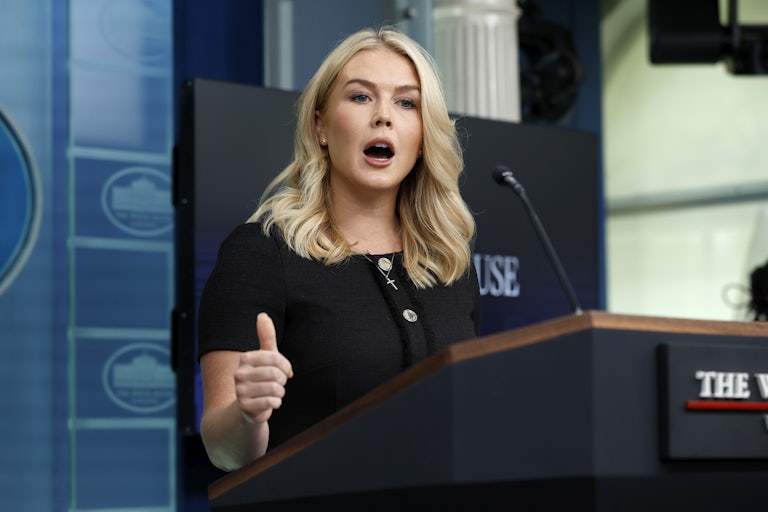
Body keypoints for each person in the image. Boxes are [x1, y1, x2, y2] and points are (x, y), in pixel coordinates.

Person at [196, 26, 481, 472]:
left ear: (424, 137)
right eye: (361, 97)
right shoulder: (261, 253)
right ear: (321, 125)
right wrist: (247, 415)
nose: (384, 116)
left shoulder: (448, 262)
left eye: (406, 102)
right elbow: (223, 449)